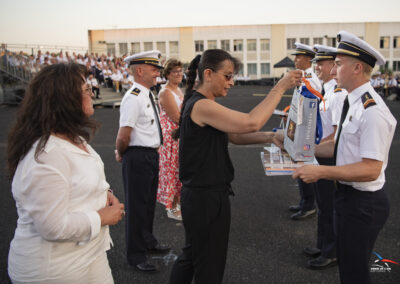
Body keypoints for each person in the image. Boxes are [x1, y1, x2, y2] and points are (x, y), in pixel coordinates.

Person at [169, 49, 302, 284]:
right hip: (205, 199)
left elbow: (234, 135)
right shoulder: (202, 106)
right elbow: (250, 122)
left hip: (202, 197)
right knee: (209, 266)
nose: (232, 82)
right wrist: (279, 88)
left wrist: (270, 137)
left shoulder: (200, 103)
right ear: (208, 74)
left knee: (193, 256)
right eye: (228, 76)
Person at [293, 31, 397, 284]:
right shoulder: (354, 102)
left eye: (338, 64)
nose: (332, 70)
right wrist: (299, 149)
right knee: (349, 268)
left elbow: (371, 169)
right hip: (349, 197)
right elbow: (337, 147)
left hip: (363, 203)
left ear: (358, 67)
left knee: (354, 273)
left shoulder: (371, 111)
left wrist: (321, 172)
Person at [7, 63, 125, 284]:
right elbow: (51, 226)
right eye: (86, 90)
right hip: (53, 268)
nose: (91, 94)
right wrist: (101, 217)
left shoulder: (73, 139)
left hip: (89, 254)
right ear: (65, 99)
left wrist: (104, 193)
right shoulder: (47, 155)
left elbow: (77, 180)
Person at [115, 50, 171, 273]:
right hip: (137, 156)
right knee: (137, 208)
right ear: (139, 70)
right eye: (153, 68)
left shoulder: (147, 93)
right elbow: (123, 134)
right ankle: (136, 255)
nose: (158, 72)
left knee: (147, 205)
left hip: (149, 155)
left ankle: (148, 242)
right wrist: (121, 152)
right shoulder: (134, 96)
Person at [302, 44, 347, 269]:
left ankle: (331, 251)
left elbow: (337, 134)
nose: (316, 66)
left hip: (329, 156)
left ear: (333, 65)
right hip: (320, 152)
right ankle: (322, 245)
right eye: (316, 62)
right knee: (322, 204)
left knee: (328, 206)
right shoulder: (328, 90)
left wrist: (311, 148)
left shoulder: (337, 94)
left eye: (322, 62)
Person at [289, 42, 322, 220]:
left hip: (306, 130)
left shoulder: (311, 80)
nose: (295, 60)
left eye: (299, 56)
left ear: (308, 59)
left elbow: (312, 109)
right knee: (299, 165)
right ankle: (304, 202)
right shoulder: (303, 77)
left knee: (305, 166)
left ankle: (309, 205)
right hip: (299, 127)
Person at [157, 59, 184, 221]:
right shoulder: (165, 92)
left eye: (181, 71)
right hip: (170, 137)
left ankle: (178, 204)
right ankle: (171, 207)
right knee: (171, 171)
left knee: (179, 171)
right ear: (167, 74)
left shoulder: (178, 90)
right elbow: (176, 117)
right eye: (175, 71)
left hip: (179, 136)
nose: (179, 74)